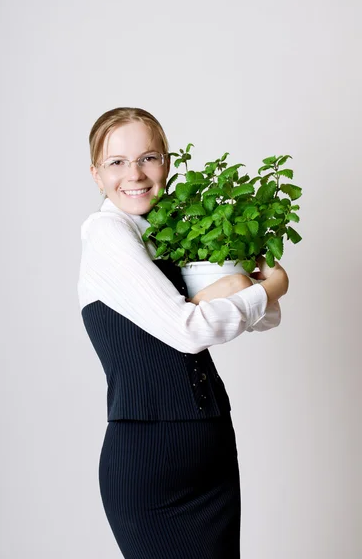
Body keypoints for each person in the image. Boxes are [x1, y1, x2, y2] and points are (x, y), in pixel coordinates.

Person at [77, 107, 289, 559]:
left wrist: (245, 289)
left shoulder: (170, 234)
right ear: (96, 174)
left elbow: (264, 318)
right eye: (116, 162)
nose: (134, 173)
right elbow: (189, 330)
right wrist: (266, 287)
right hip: (151, 463)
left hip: (211, 448)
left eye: (148, 157)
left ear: (168, 163)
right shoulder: (106, 234)